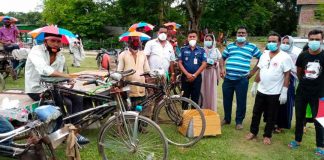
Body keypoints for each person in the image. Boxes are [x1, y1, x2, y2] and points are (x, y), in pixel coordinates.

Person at [24, 32, 89, 144]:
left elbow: (59, 75)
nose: (55, 44)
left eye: (58, 41)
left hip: (55, 87)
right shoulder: (36, 51)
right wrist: (66, 77)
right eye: (52, 41)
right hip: (36, 89)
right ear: (45, 41)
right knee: (66, 103)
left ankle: (74, 129)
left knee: (78, 97)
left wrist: (67, 82)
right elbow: (44, 70)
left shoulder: (60, 56)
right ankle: (68, 132)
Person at [246, 32, 293, 145]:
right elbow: (261, 70)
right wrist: (254, 85)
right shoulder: (264, 55)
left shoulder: (285, 57)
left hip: (275, 92)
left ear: (279, 43)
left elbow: (287, 75)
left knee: (272, 115)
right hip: (261, 90)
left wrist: (284, 91)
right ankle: (253, 132)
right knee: (256, 112)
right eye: (269, 41)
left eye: (274, 41)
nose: (271, 43)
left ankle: (267, 135)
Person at [288, 29, 324, 156]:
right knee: (299, 118)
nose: (314, 42)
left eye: (317, 39)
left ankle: (320, 146)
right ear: (308, 40)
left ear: (322, 40)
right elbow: (299, 72)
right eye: (312, 39)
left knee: (320, 120)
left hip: (320, 95)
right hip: (302, 93)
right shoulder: (303, 55)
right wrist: (304, 82)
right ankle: (297, 140)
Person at [219, 26, 262, 130]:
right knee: (227, 100)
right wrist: (222, 68)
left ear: (246, 35)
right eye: (239, 33)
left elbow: (262, 58)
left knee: (241, 101)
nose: (241, 35)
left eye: (243, 33)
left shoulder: (252, 47)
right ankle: (227, 119)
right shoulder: (230, 46)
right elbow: (222, 58)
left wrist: (253, 71)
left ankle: (239, 121)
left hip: (242, 79)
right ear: (236, 34)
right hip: (228, 78)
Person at [274, 36, 302, 133]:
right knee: (275, 102)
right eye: (283, 42)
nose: (285, 45)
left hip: (289, 81)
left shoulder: (294, 56)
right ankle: (274, 122)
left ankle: (281, 125)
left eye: (287, 43)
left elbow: (296, 70)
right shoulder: (278, 54)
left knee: (285, 103)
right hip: (277, 81)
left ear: (291, 44)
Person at [117, 36, 150, 117]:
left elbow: (146, 71)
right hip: (128, 89)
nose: (136, 42)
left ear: (140, 42)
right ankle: (127, 126)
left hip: (141, 88)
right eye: (133, 40)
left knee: (141, 110)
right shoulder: (123, 55)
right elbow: (119, 72)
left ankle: (141, 126)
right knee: (128, 111)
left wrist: (148, 86)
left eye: (137, 40)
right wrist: (119, 86)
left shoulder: (143, 55)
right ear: (129, 42)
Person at [178, 30, 207, 108]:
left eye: (193, 36)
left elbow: (204, 64)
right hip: (185, 78)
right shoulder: (183, 49)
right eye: (190, 37)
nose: (192, 38)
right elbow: (180, 63)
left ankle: (194, 118)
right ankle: (184, 119)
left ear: (197, 38)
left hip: (197, 78)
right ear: (187, 38)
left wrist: (194, 75)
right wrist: (187, 74)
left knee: (195, 99)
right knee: (184, 99)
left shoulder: (201, 50)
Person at [200, 34, 221, 111]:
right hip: (203, 72)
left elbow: (220, 61)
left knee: (212, 90)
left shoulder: (216, 50)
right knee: (203, 89)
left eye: (210, 40)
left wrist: (215, 63)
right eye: (206, 40)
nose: (208, 41)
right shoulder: (201, 50)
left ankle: (212, 109)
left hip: (212, 73)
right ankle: (203, 108)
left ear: (213, 41)